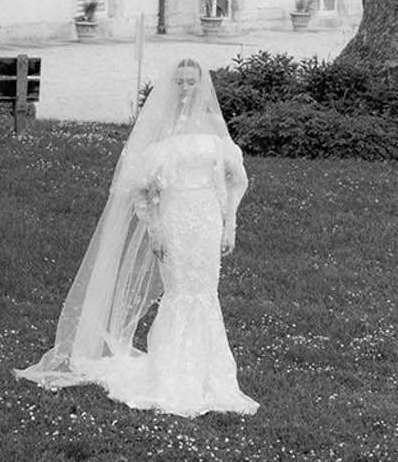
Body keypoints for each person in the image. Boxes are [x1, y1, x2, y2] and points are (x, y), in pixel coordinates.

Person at [16, 57, 257, 416]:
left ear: (203, 85)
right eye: (181, 83)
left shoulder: (214, 127)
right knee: (178, 291)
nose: (186, 89)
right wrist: (155, 228)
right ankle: (170, 372)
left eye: (192, 82)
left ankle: (211, 374)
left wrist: (230, 223)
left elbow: (235, 177)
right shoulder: (162, 130)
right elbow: (142, 188)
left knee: (205, 291)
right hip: (174, 218)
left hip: (206, 218)